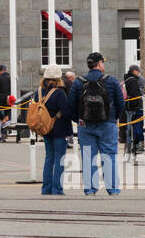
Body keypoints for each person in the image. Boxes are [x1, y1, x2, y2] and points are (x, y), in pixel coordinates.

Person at [70, 52, 126, 196]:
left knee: (88, 156)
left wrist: (79, 119)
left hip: (85, 124)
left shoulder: (78, 82)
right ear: (100, 64)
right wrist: (114, 118)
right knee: (109, 156)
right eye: (103, 62)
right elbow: (121, 103)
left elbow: (71, 105)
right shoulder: (112, 81)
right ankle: (112, 189)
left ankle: (90, 189)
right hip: (108, 123)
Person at [38, 66, 72, 195]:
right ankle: (56, 188)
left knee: (49, 158)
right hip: (60, 129)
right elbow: (66, 112)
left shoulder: (40, 91)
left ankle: (46, 188)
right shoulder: (59, 93)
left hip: (45, 128)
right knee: (59, 158)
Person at [122, 65, 144, 155]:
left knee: (129, 129)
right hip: (133, 108)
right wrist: (138, 105)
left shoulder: (127, 79)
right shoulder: (133, 80)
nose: (139, 73)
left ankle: (128, 148)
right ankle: (133, 147)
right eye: (138, 71)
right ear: (134, 71)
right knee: (132, 128)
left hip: (127, 106)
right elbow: (135, 95)